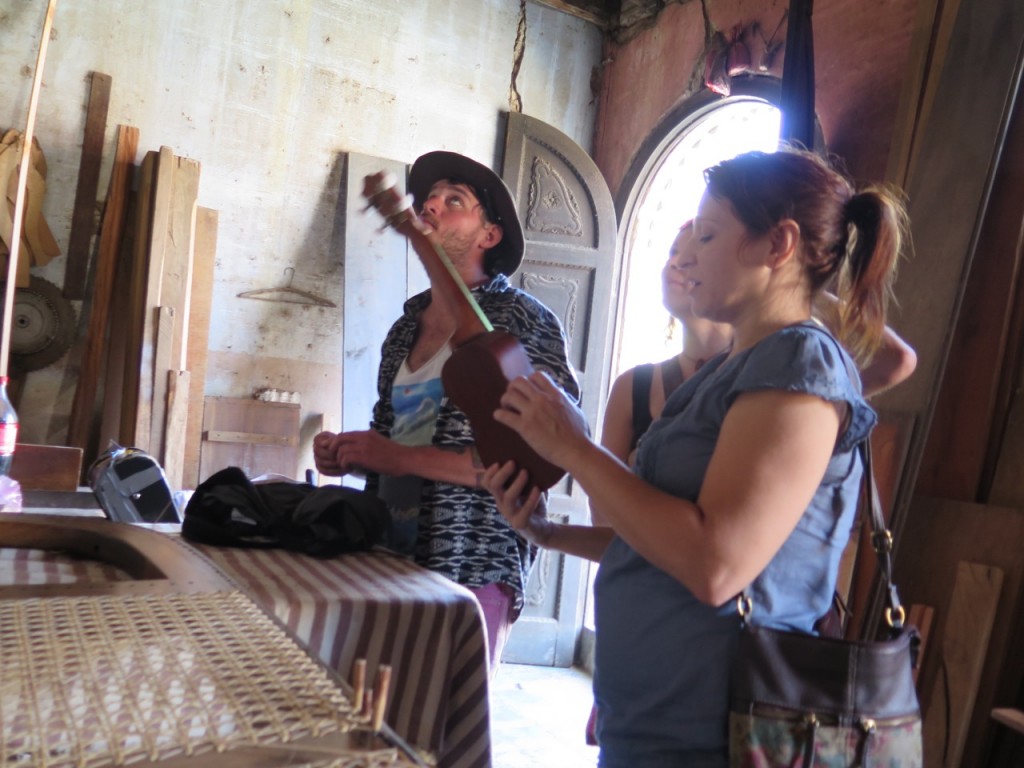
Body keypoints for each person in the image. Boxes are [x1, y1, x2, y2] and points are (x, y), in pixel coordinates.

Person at [483, 147, 910, 766]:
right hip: (653, 727)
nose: (690, 258)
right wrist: (548, 533)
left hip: (716, 738)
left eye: (708, 234)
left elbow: (714, 565)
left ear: (778, 244)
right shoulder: (737, 367)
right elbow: (665, 540)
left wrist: (572, 446)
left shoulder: (800, 363)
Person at [313, 150, 580, 675]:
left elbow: (536, 459)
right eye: (428, 197)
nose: (432, 204)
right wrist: (354, 456)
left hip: (471, 565)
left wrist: (399, 458)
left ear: (489, 236)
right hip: (386, 555)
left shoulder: (524, 322)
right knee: (377, 721)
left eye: (454, 200)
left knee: (446, 732)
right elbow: (396, 442)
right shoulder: (404, 328)